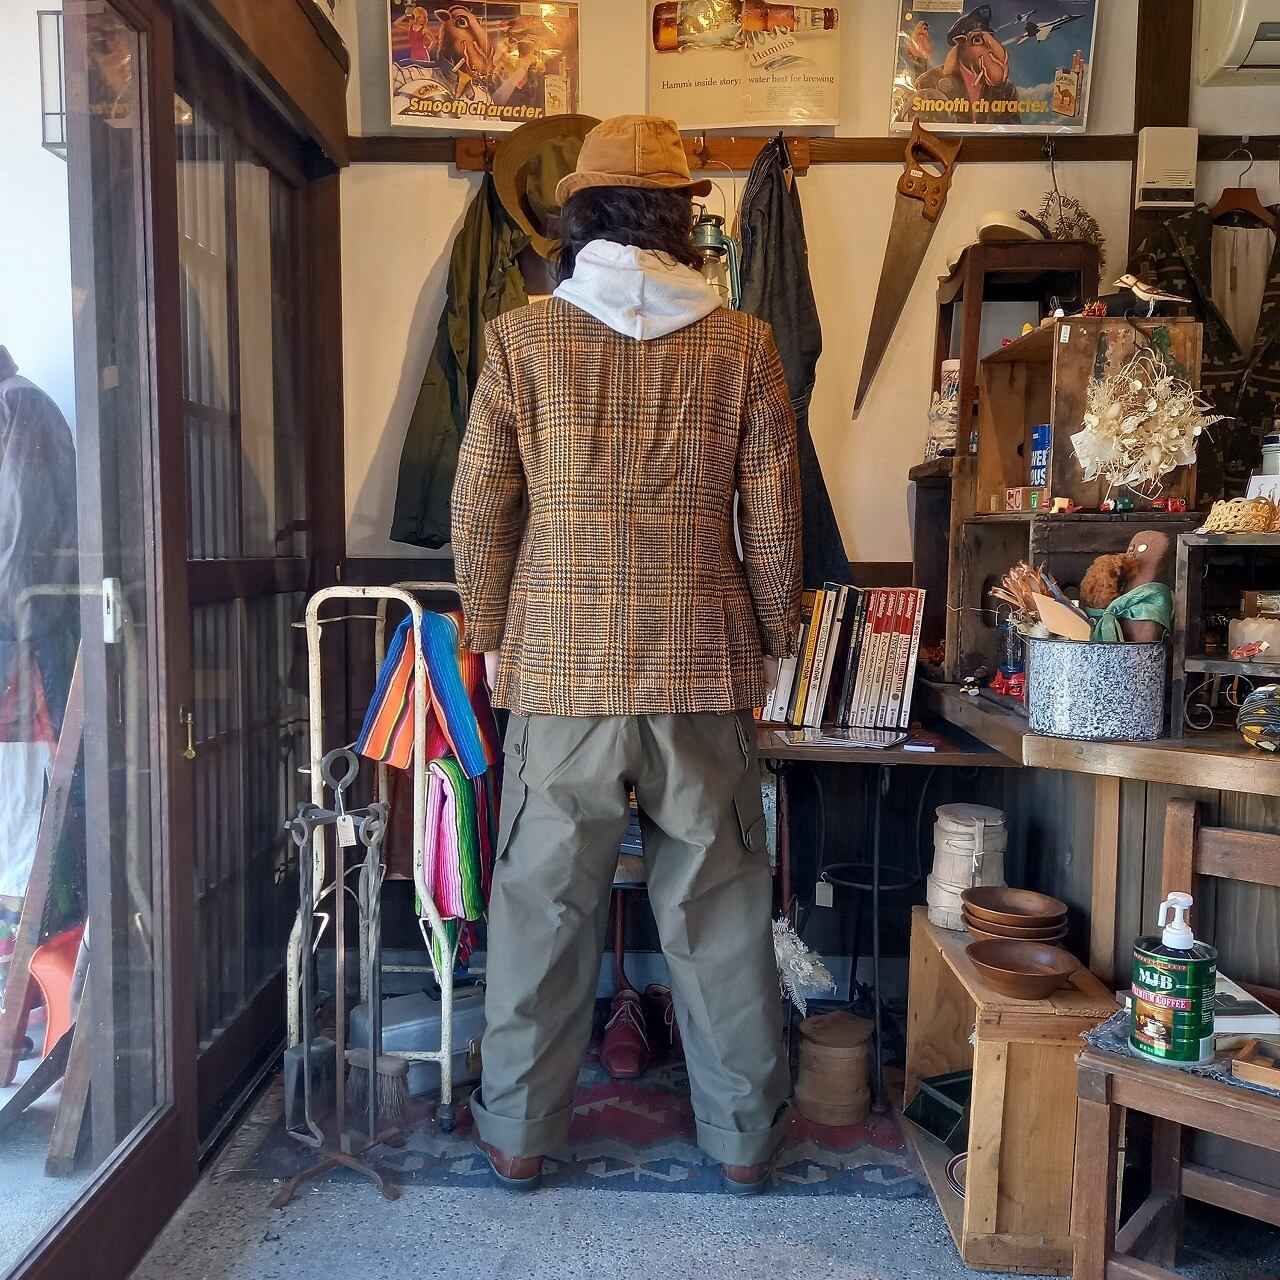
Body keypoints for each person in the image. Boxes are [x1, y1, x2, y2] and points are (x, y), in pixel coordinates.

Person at [451, 114, 802, 1195]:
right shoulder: (742, 344)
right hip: (701, 666)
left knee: (545, 907)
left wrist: (490, 635)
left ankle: (520, 1133)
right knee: (719, 909)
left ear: (580, 211)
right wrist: (776, 642)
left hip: (561, 673)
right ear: (683, 214)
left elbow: (479, 508)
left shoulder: (521, 340)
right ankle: (742, 1143)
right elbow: (774, 519)